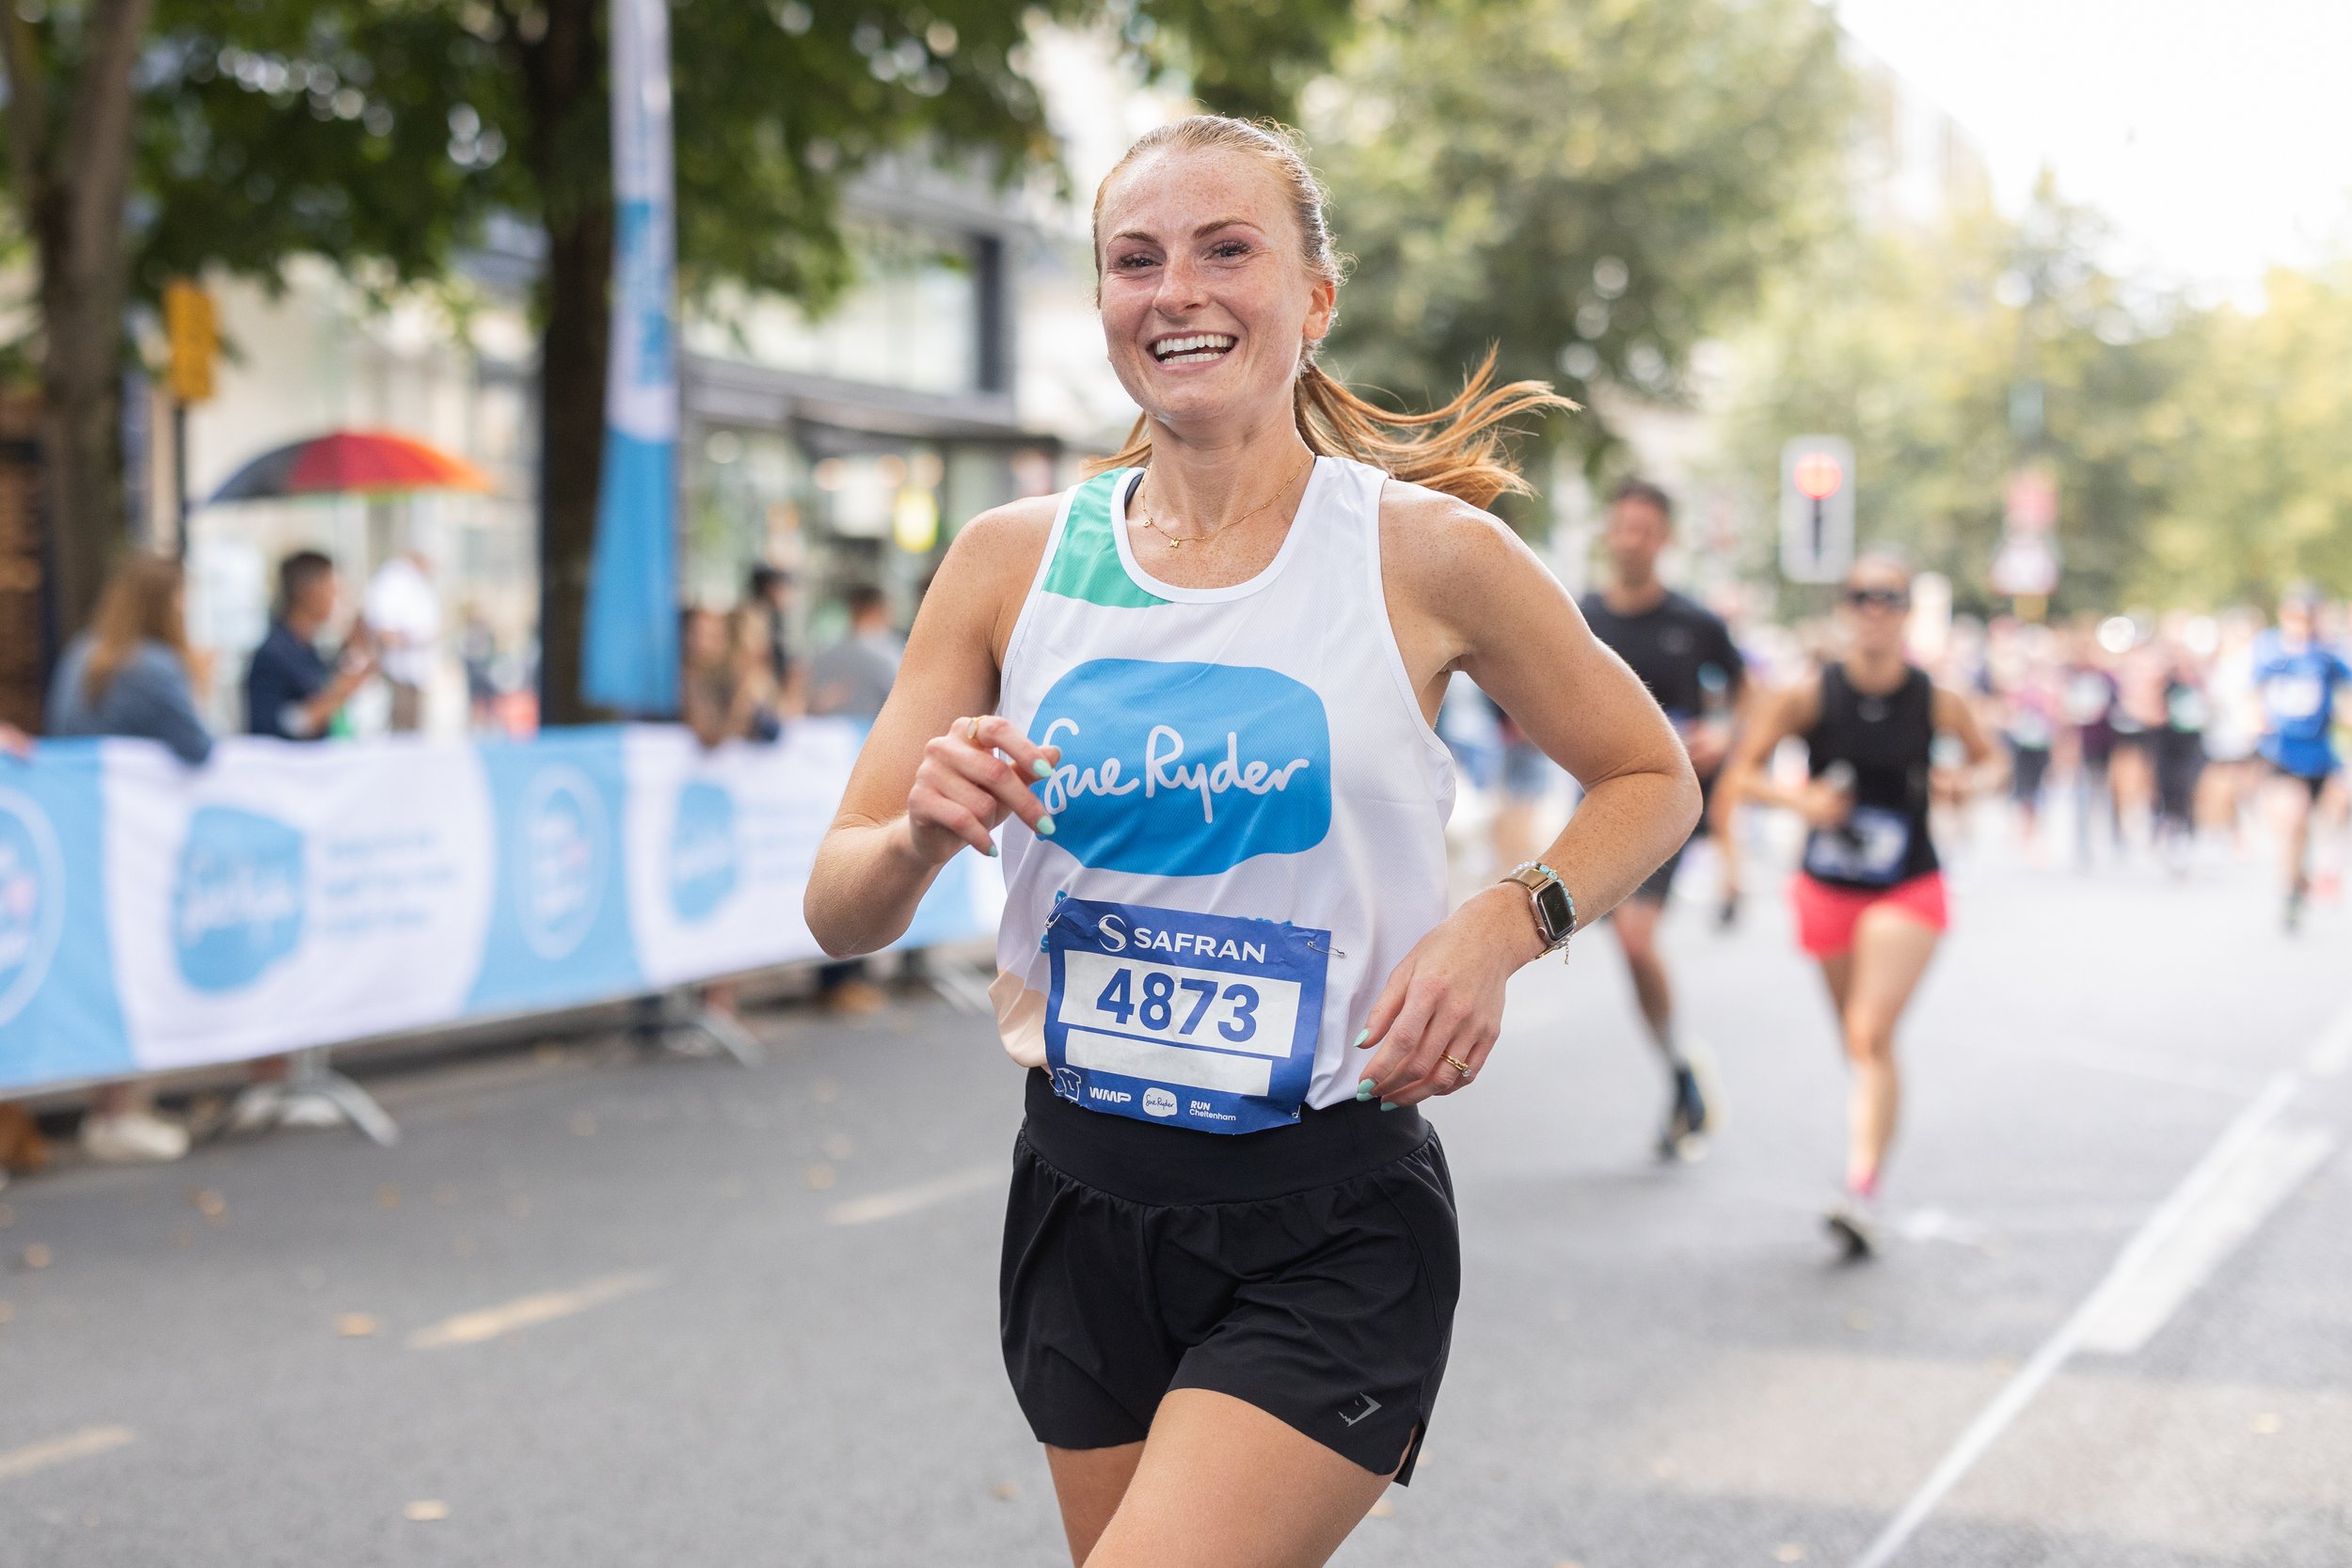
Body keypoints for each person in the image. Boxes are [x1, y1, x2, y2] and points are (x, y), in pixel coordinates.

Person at [804, 116, 1697, 1567]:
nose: (1179, 292)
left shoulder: (1420, 553)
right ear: (1100, 301)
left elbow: (1649, 772)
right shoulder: (1010, 560)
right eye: (1134, 260)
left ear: (1313, 295)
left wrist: (1499, 924)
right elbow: (838, 906)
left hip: (1328, 1213)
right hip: (1080, 1201)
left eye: (1229, 249)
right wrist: (914, 830)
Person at [1720, 550, 1997, 1259]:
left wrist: (1969, 782)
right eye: (1862, 596)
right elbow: (1742, 776)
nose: (1876, 609)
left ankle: (1861, 1189)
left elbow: (1994, 758)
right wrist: (1802, 799)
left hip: (1908, 883)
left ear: (1908, 612)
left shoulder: (1937, 697)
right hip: (1827, 886)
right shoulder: (1810, 695)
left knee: (1870, 1033)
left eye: (1890, 597)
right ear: (1845, 608)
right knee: (1859, 1042)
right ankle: (1867, 1158)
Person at [1578, 478, 1745, 1159]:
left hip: (1668, 801)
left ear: (1665, 539)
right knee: (1627, 948)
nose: (1632, 539)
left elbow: (1746, 692)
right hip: (1595, 797)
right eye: (1622, 526)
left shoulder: (1697, 622)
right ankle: (1681, 1070)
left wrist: (1727, 730)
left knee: (1638, 941)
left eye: (1645, 528)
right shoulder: (1578, 614)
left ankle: (1682, 1069)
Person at [43, 555, 211, 1164]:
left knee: (100, 968)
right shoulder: (156, 667)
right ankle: (120, 1110)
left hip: (81, 840)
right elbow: (199, 747)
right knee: (133, 969)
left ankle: (109, 1106)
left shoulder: (83, 654)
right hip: (135, 849)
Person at [806, 584, 907, 1015]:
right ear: (877, 609)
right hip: (872, 781)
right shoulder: (887, 655)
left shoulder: (822, 656)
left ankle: (833, 977)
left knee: (831, 871)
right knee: (868, 875)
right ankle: (849, 978)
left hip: (820, 781)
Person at [2251, 585, 2352, 930]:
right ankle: (2292, 889)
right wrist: (2256, 722)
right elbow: (2254, 692)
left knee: (2332, 813)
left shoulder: (2327, 654)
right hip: (2283, 753)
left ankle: (2316, 871)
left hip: (2321, 755)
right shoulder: (2270, 650)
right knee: (2293, 821)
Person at [246, 549, 374, 741]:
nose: (337, 599)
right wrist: (339, 694)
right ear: (308, 591)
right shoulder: (273, 654)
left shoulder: (307, 648)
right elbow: (272, 727)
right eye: (332, 589)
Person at [365, 546, 439, 732]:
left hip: (414, 670)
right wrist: (410, 639)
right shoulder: (393, 581)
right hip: (397, 669)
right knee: (401, 728)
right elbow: (384, 628)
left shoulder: (414, 581)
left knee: (412, 726)